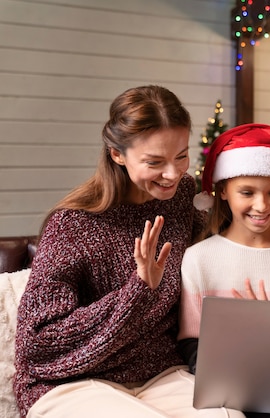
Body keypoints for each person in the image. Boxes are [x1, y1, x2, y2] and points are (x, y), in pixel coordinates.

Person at [13, 85, 245, 418]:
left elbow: (217, 251)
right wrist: (137, 290)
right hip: (73, 380)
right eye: (154, 162)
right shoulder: (72, 225)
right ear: (117, 154)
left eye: (181, 156)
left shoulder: (180, 199)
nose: (173, 173)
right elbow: (39, 341)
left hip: (159, 372)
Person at [177, 123, 270, 374]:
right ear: (223, 191)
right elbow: (192, 344)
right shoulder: (198, 259)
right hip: (231, 381)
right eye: (247, 192)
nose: (261, 206)